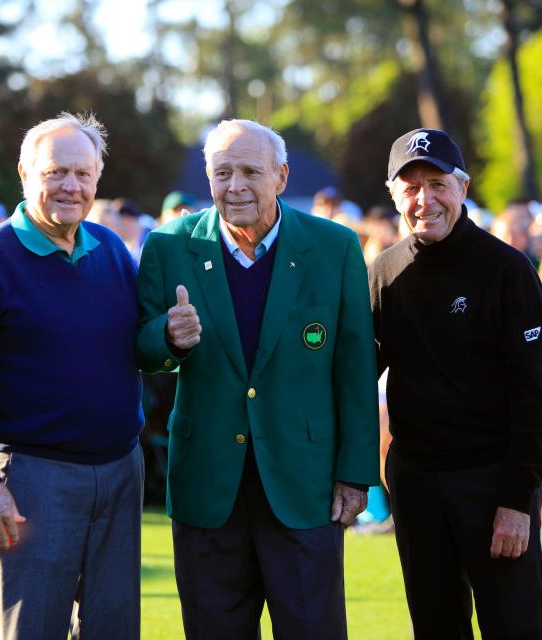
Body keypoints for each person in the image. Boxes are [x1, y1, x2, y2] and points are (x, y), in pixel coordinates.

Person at [136, 119, 379, 639]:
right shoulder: (168, 245)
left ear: (282, 176)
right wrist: (168, 337)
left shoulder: (335, 247)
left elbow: (356, 369)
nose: (236, 185)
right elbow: (141, 349)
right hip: (207, 486)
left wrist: (356, 473)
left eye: (250, 171)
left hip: (305, 485)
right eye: (222, 172)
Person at [0, 112, 144, 639]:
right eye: (55, 172)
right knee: (35, 629)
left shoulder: (113, 250)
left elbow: (136, 346)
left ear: (97, 179)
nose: (71, 186)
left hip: (120, 472)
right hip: (33, 480)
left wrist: (170, 336)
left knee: (113, 629)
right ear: (25, 174)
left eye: (82, 173)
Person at [370, 128, 542, 639]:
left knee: (513, 625)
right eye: (410, 188)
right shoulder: (385, 273)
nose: (424, 200)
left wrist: (519, 501)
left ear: (463, 187)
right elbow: (355, 372)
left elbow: (536, 397)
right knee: (435, 626)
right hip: (416, 483)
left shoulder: (508, 271)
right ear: (393, 195)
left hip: (493, 482)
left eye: (437, 184)